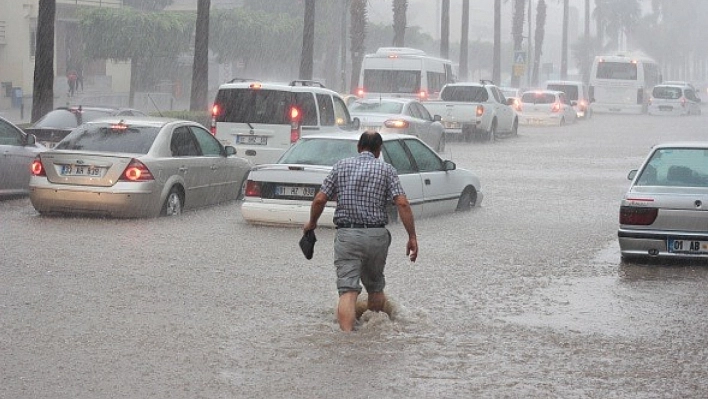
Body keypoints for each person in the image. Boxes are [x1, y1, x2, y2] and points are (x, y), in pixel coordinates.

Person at [303, 131, 418, 332]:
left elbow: (320, 199)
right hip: (376, 236)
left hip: (347, 236)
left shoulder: (341, 167)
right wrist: (412, 237)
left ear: (359, 147)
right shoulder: (387, 170)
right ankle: (373, 331)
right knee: (375, 287)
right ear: (378, 150)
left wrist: (311, 223)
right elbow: (402, 203)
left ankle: (347, 340)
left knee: (347, 291)